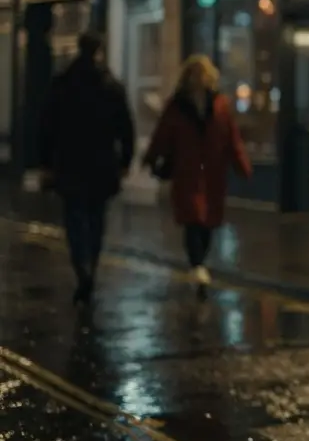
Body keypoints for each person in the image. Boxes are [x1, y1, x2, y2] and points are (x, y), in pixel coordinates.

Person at [39, 31, 136, 304]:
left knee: (74, 216)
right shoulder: (111, 86)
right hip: (102, 163)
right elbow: (125, 127)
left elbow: (46, 126)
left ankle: (81, 265)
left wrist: (45, 162)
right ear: (99, 51)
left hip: (70, 162)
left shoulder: (62, 84)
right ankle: (90, 264)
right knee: (96, 217)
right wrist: (126, 160)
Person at [142, 54, 251, 295]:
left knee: (208, 220)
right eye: (195, 75)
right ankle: (197, 264)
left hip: (212, 172)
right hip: (187, 171)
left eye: (202, 75)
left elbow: (232, 138)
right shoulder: (177, 105)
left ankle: (200, 262)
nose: (199, 80)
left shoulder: (220, 105)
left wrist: (242, 165)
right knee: (193, 218)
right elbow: (163, 134)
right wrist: (150, 157)